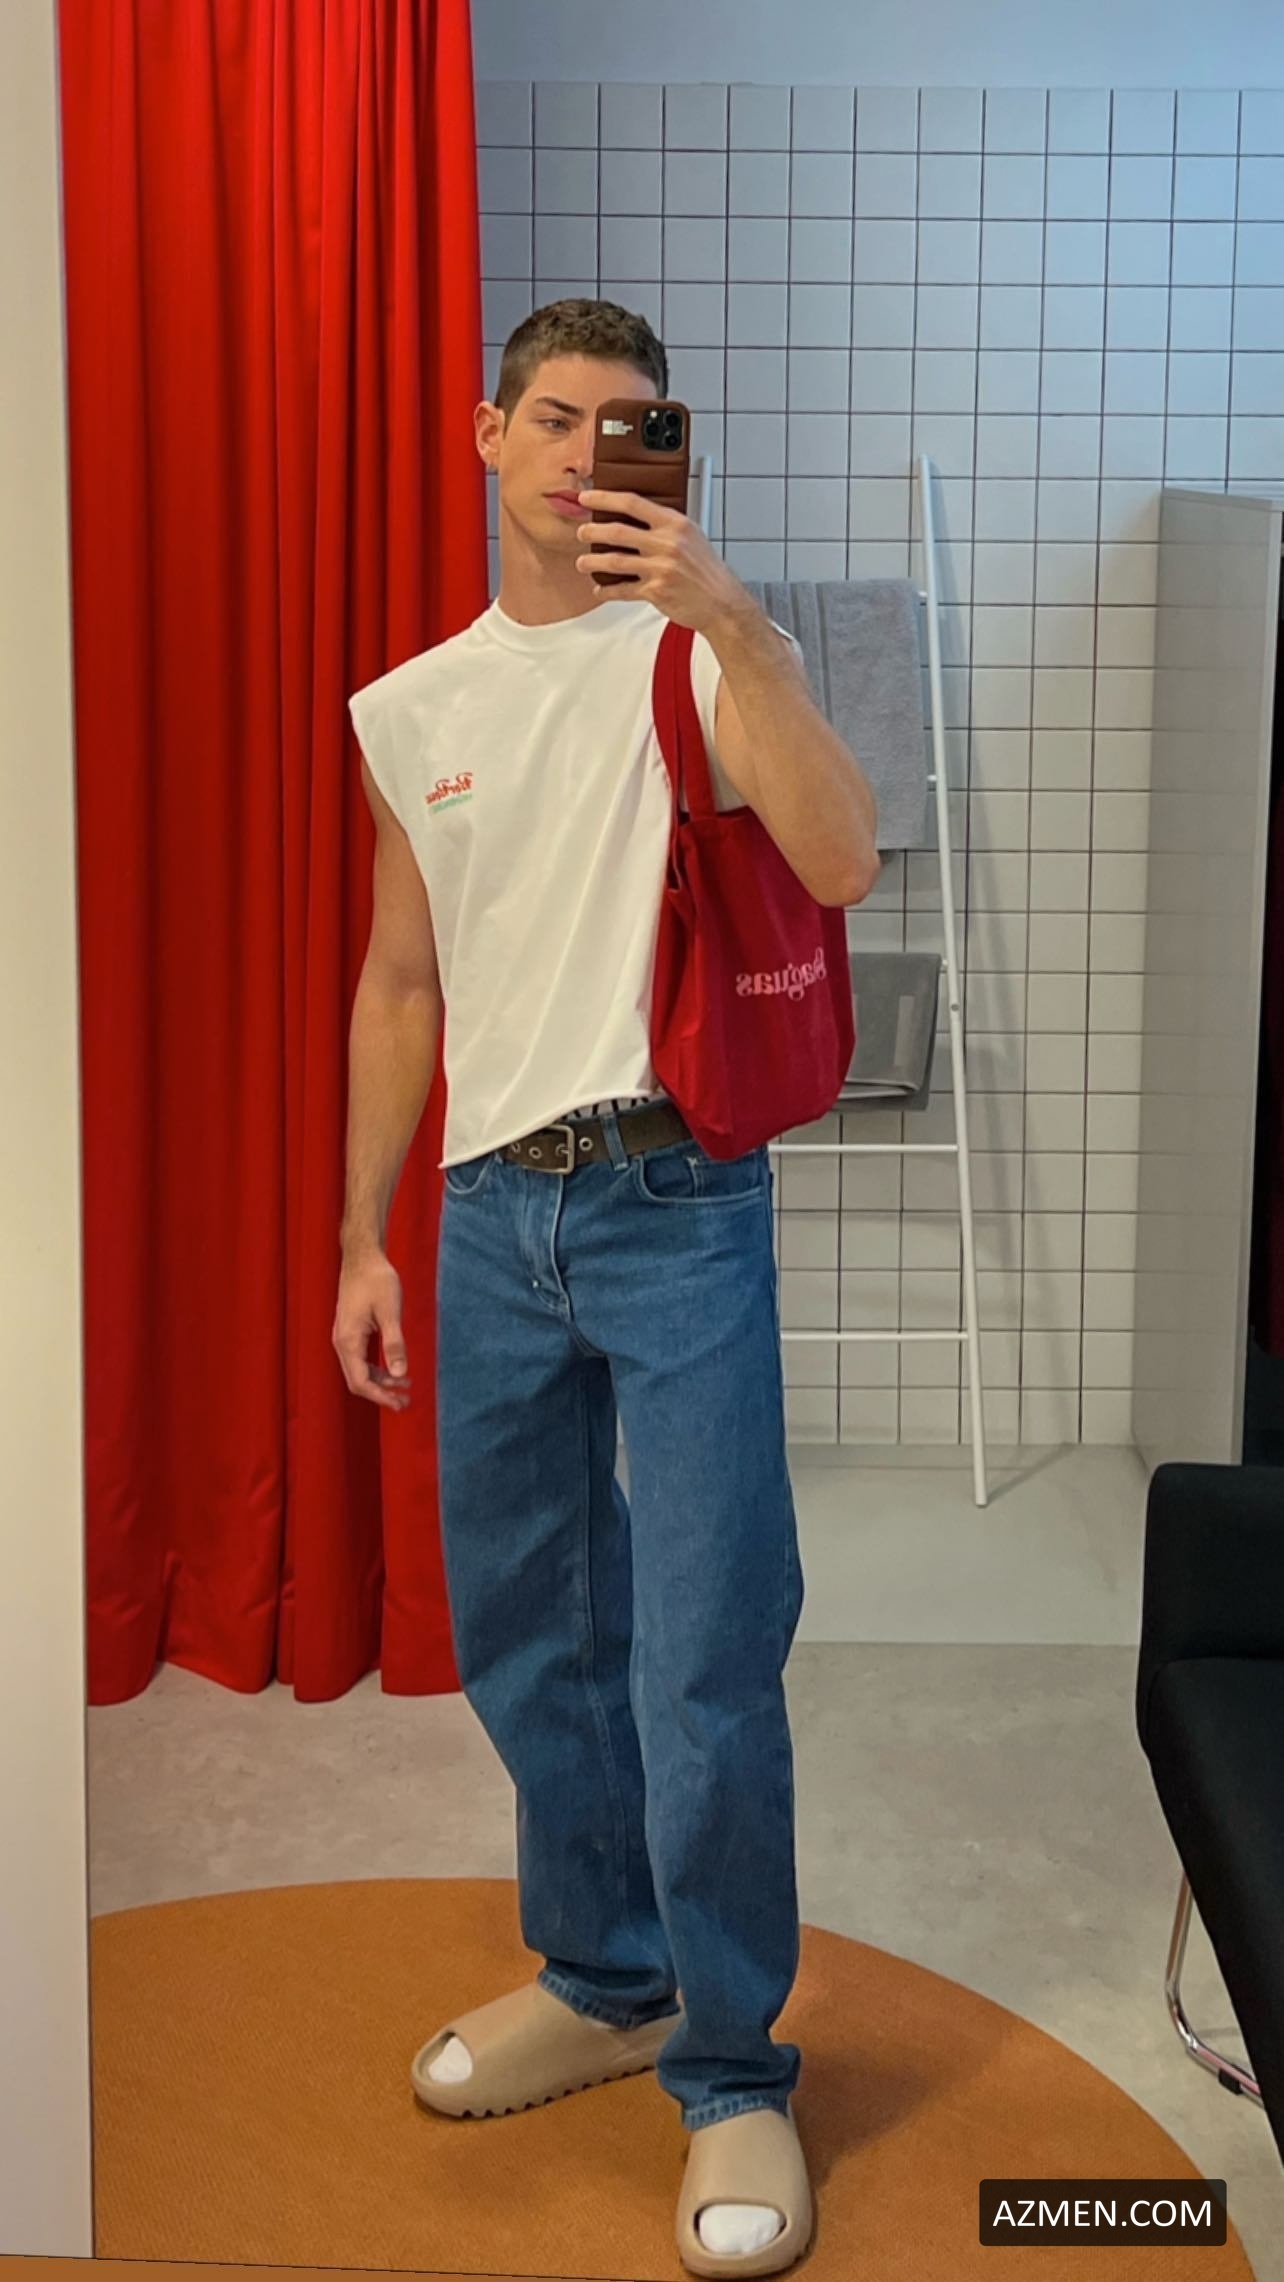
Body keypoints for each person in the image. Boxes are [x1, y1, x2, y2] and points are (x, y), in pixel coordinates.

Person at [336, 298, 878, 2280]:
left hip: (677, 1193)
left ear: (663, 452)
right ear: (488, 435)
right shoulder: (412, 708)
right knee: (533, 1636)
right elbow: (404, 983)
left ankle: (733, 2067)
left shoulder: (703, 657)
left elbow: (844, 862)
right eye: (554, 419)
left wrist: (739, 623)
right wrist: (361, 1234)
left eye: (625, 425)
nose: (585, 455)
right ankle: (606, 1972)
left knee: (707, 1649)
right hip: (492, 1217)